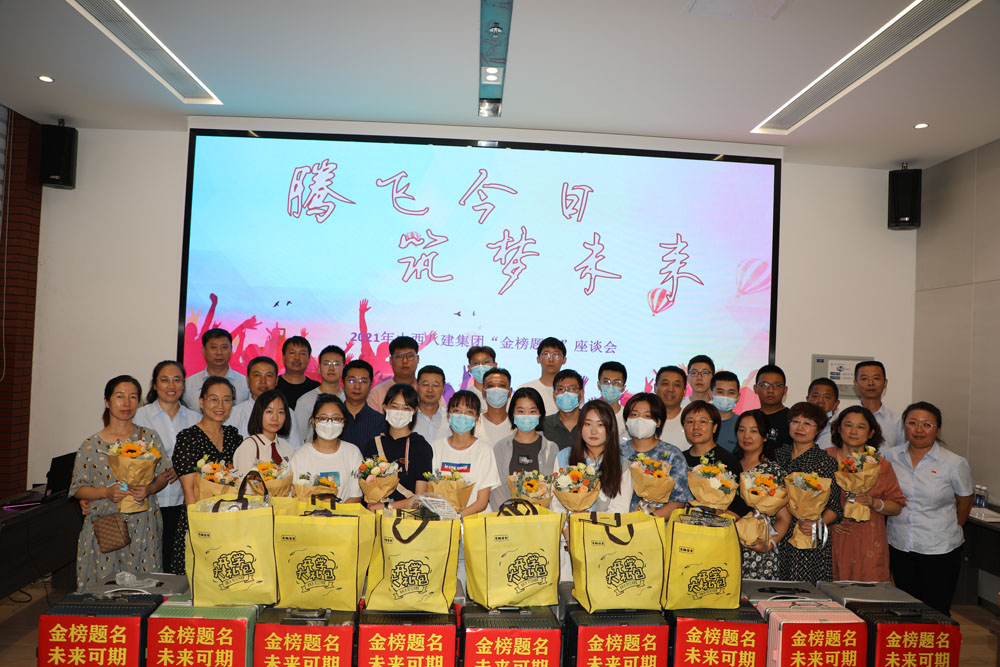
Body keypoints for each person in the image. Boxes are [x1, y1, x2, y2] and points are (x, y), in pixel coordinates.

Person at [70, 375, 174, 590]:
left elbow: (163, 475)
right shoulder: (91, 445)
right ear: (107, 402)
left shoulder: (149, 438)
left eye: (133, 397)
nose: (127, 403)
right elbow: (78, 488)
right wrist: (105, 493)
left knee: (144, 587)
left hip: (144, 525)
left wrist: (150, 488)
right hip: (106, 526)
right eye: (120, 396)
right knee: (103, 588)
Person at [884, 402, 973, 615]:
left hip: (939, 547)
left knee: (936, 609)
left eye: (927, 425)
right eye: (912, 423)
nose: (919, 429)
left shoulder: (954, 463)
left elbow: (965, 501)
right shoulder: (890, 457)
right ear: (904, 426)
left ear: (938, 429)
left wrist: (951, 527)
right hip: (899, 543)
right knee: (906, 608)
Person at [825, 406, 906, 582]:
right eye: (848, 425)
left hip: (869, 538)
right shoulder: (824, 459)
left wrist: (874, 502)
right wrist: (829, 520)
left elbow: (896, 506)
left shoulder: (880, 465)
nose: (853, 431)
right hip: (831, 537)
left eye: (860, 427)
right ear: (839, 429)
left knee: (868, 592)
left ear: (871, 433)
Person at [171, 376, 243, 574]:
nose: (220, 405)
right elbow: (189, 491)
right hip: (199, 519)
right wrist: (200, 526)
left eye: (226, 400)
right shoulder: (188, 438)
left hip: (229, 519)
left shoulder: (233, 436)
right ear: (201, 402)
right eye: (213, 399)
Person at [134, 360, 198, 574]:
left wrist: (184, 467)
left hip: (183, 500)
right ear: (154, 384)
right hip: (150, 501)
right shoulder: (139, 417)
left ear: (183, 384)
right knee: (151, 561)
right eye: (164, 380)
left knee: (176, 561)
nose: (171, 386)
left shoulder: (195, 418)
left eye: (177, 380)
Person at [776, 401, 842, 584]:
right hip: (777, 531)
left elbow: (835, 507)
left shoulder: (825, 462)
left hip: (806, 535)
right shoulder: (778, 455)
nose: (800, 428)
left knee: (804, 592)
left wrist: (816, 524)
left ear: (818, 429)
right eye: (796, 421)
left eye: (807, 423)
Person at [732, 410, 792, 580]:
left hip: (757, 553)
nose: (746, 436)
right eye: (742, 430)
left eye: (754, 431)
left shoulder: (772, 471)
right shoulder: (730, 466)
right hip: (729, 545)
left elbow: (784, 518)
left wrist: (768, 544)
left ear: (765, 436)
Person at [361, 384, 433, 511]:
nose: (399, 412)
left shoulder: (421, 447)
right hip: (374, 516)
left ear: (414, 411)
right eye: (394, 406)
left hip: (406, 518)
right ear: (385, 407)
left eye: (406, 408)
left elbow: (420, 499)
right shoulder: (373, 444)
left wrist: (386, 507)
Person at [618, 392, 692, 515]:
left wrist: (649, 520)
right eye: (634, 415)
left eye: (647, 416)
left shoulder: (672, 455)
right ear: (627, 420)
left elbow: (679, 502)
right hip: (619, 521)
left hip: (657, 523)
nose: (639, 420)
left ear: (658, 422)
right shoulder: (617, 452)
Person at [553, 400, 633, 513]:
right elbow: (555, 502)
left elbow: (619, 510)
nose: (593, 431)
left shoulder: (621, 464)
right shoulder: (564, 456)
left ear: (610, 428)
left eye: (600, 425)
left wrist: (587, 521)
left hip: (604, 524)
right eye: (588, 424)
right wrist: (569, 521)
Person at [429, 390, 501, 515]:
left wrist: (457, 516)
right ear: (448, 415)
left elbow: (482, 502)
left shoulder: (484, 450)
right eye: (457, 411)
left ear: (477, 418)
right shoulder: (435, 447)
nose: (462, 416)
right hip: (442, 519)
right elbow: (430, 491)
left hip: (475, 520)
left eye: (469, 412)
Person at [490, 387, 559, 509]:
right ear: (512, 413)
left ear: (540, 414)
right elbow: (496, 490)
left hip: (542, 517)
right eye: (521, 411)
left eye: (532, 411)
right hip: (507, 516)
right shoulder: (500, 447)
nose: (526, 416)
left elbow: (554, 490)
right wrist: (507, 514)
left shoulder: (551, 448)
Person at [289, 394, 363, 503]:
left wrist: (337, 512)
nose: (329, 423)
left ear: (343, 421)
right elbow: (294, 496)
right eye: (323, 418)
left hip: (345, 513)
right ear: (313, 421)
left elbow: (355, 496)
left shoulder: (353, 453)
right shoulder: (300, 456)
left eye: (336, 418)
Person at [227, 356, 303, 449]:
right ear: (247, 380)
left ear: (276, 380)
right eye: (257, 375)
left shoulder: (288, 413)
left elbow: (296, 449)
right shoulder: (234, 414)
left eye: (269, 376)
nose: (263, 381)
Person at [232, 389, 294, 480]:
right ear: (259, 413)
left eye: (280, 412)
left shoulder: (287, 447)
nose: (275, 418)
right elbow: (244, 484)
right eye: (269, 411)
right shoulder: (249, 446)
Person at [182, 328, 250, 410]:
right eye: (213, 347)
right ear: (203, 350)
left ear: (231, 349)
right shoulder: (188, 385)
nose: (219, 352)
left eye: (224, 347)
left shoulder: (246, 385)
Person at [295, 344, 346, 437]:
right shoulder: (305, 401)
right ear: (319, 368)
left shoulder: (348, 400)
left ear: (344, 368)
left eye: (336, 364)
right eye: (326, 364)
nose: (331, 368)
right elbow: (299, 437)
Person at [681, 400, 740, 473]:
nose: (695, 427)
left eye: (702, 422)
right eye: (690, 422)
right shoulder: (679, 459)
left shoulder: (728, 461)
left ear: (714, 427)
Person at [854, 361, 903, 449]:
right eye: (864, 378)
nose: (870, 383)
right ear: (856, 383)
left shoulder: (897, 421)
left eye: (876, 378)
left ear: (885, 383)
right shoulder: (845, 419)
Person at [341, 359, 387, 449]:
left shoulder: (381, 422)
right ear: (342, 384)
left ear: (370, 386)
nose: (357, 386)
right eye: (352, 381)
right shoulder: (332, 419)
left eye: (363, 381)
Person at [367, 336, 422, 411]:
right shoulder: (377, 393)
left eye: (410, 356)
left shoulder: (427, 391)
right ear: (391, 360)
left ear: (417, 359)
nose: (405, 361)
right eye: (399, 357)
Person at [516, 337, 566, 416]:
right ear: (538, 359)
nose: (551, 359)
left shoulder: (569, 392)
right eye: (546, 354)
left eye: (556, 355)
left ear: (564, 360)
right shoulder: (525, 389)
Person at [542, 369, 584, 451]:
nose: (566, 393)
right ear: (554, 395)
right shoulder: (543, 425)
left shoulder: (591, 422)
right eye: (561, 389)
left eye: (571, 389)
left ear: (581, 394)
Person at [277, 335, 319, 409]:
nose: (297, 358)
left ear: (309, 359)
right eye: (292, 353)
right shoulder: (273, 385)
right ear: (283, 357)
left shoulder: (316, 389)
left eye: (302, 353)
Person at [754, 364, 790, 448]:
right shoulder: (749, 418)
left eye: (777, 386)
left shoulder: (792, 419)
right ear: (755, 388)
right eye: (764, 385)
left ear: (785, 390)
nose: (770, 390)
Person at [478, 368, 515, 446]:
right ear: (484, 393)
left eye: (502, 385)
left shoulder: (518, 424)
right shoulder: (474, 424)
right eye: (491, 386)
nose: (496, 389)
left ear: (510, 392)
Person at [413, 365, 450, 443]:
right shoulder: (408, 417)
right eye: (425, 384)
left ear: (443, 388)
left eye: (435, 385)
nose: (430, 390)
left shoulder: (451, 419)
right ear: (417, 386)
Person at [654, 365, 687, 449]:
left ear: (684, 391)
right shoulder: (644, 419)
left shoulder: (690, 421)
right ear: (655, 387)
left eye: (677, 385)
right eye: (665, 384)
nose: (670, 389)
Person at [710, 370, 741, 453]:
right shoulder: (701, 422)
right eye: (720, 392)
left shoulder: (742, 423)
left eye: (731, 393)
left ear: (738, 396)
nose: (725, 397)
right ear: (710, 393)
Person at [597, 361, 628, 440]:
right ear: (599, 385)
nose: (611, 386)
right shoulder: (588, 414)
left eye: (616, 383)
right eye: (606, 382)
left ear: (623, 388)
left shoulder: (628, 417)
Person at [807, 378, 840, 449]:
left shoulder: (841, 428)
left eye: (827, 397)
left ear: (836, 404)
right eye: (815, 396)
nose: (820, 401)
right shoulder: (798, 425)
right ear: (807, 399)